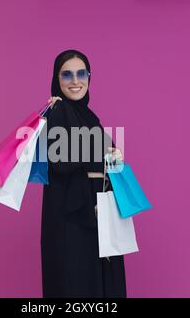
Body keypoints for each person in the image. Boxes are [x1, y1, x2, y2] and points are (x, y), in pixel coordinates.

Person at [40, 49, 126, 298]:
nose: (75, 81)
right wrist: (101, 149)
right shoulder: (58, 111)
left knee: (99, 283)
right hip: (75, 216)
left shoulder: (88, 116)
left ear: (89, 77)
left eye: (81, 73)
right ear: (57, 80)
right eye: (67, 75)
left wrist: (112, 154)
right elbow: (60, 162)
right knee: (78, 284)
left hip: (98, 211)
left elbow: (99, 153)